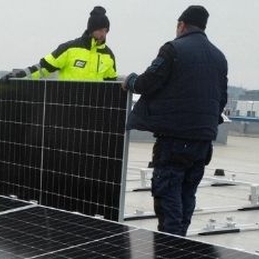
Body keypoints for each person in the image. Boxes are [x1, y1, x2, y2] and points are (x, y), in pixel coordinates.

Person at [121, 5, 227, 236]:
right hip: (203, 140)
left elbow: (148, 82)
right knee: (187, 193)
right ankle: (181, 243)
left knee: (167, 193)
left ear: (181, 25)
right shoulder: (219, 57)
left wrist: (131, 81)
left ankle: (170, 245)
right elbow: (222, 99)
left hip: (175, 139)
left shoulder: (173, 49)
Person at [16, 7, 117, 81]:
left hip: (94, 104)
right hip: (67, 102)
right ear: (91, 30)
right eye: (100, 30)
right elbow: (44, 67)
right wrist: (19, 76)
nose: (103, 34)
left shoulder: (108, 55)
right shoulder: (69, 49)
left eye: (106, 31)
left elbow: (111, 85)